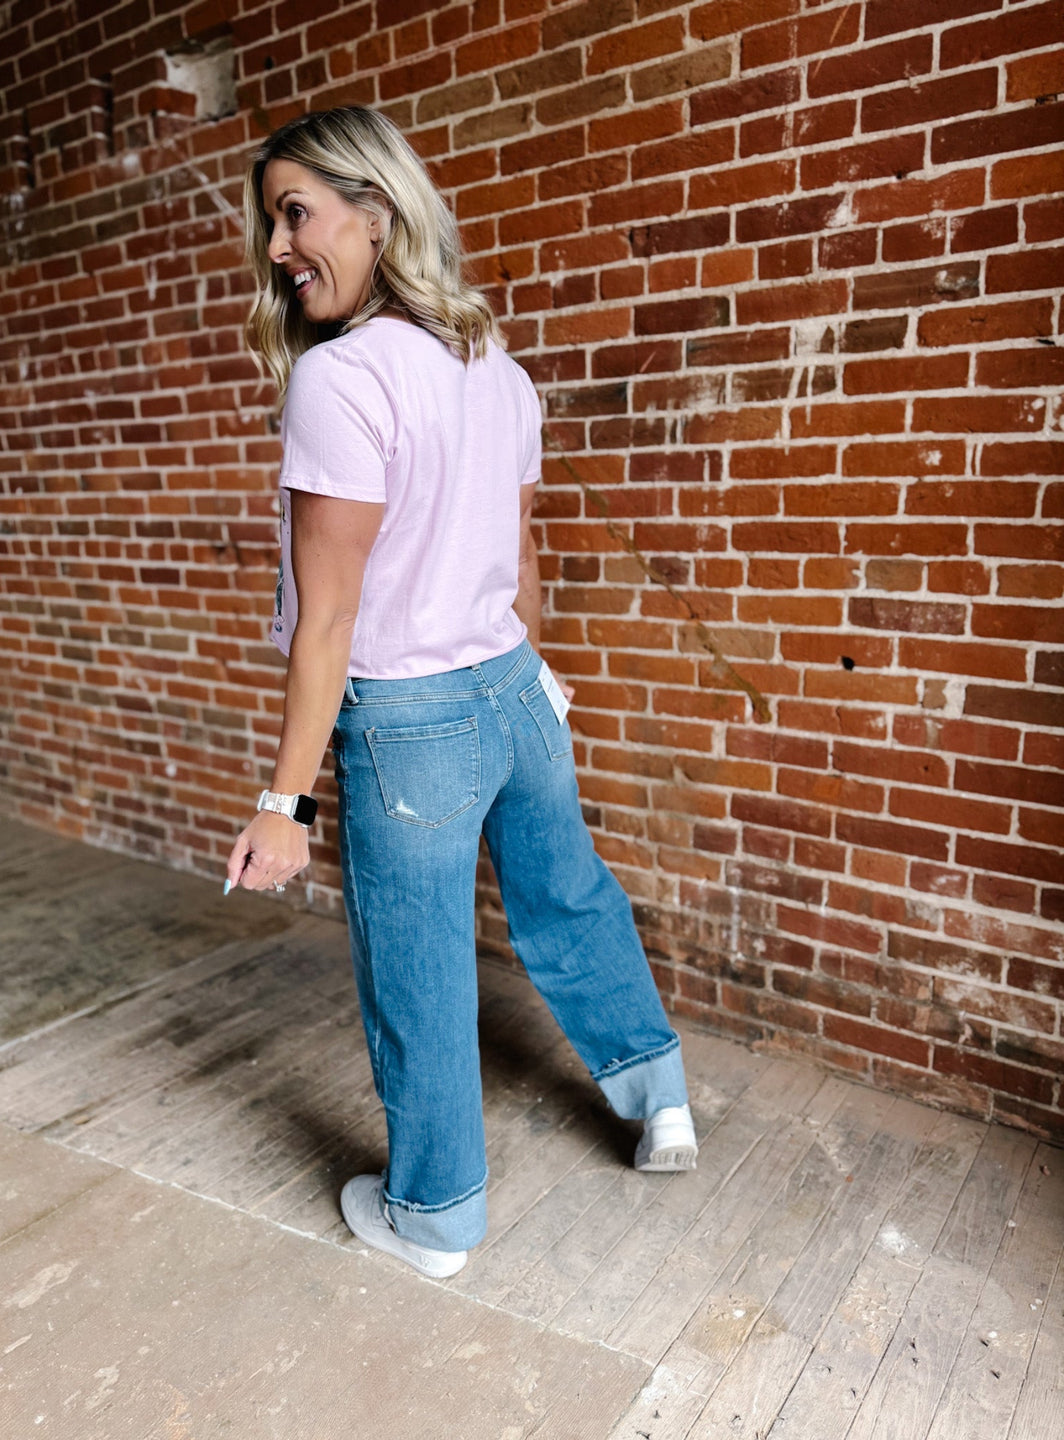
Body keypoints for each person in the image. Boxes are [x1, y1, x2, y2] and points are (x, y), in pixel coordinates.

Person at [226, 107, 697, 1279]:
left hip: (411, 724)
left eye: (295, 213)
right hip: (517, 693)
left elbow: (330, 621)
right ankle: (662, 1100)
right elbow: (519, 557)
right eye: (272, 221)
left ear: (377, 213)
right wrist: (533, 671)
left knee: (420, 967)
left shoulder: (340, 379)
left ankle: (434, 1219)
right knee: (571, 898)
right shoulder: (500, 370)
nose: (279, 247)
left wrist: (283, 805)